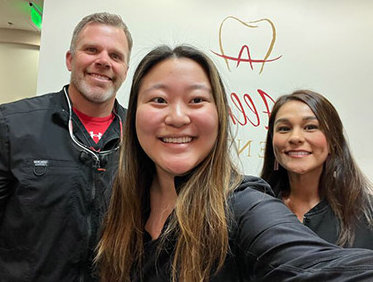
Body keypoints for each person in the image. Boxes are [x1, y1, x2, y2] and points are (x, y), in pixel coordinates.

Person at [95, 45, 373, 282]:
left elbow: (322, 268)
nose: (177, 117)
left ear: (220, 117)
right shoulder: (116, 200)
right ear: (131, 115)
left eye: (196, 100)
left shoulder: (243, 205)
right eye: (158, 99)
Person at [0, 12, 132, 281]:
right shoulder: (12, 125)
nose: (103, 61)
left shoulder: (141, 136)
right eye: (91, 49)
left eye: (116, 56)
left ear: (125, 71)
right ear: (70, 59)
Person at [261, 89, 373, 249]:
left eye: (310, 127)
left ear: (333, 141)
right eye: (284, 129)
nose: (295, 138)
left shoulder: (368, 214)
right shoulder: (254, 211)